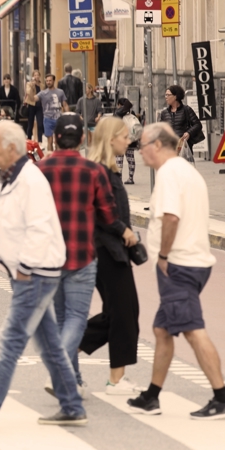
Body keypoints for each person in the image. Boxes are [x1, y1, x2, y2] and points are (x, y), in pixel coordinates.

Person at [0, 120, 84, 428]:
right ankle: (72, 406)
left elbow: (39, 229)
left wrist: (23, 267)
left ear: (12, 148)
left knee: (10, 340)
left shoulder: (30, 181)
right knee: (49, 342)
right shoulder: (14, 178)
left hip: (35, 273)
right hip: (30, 271)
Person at [127, 123, 225, 420]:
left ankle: (222, 398)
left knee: (192, 329)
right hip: (191, 262)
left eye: (142, 145)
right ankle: (152, 396)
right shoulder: (185, 170)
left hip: (180, 265)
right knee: (163, 330)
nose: (140, 150)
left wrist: (163, 255)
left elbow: (171, 217)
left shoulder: (169, 174)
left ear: (157, 145)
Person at [37, 113, 120, 398]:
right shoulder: (93, 170)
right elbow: (109, 214)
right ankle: (63, 371)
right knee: (76, 318)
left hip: (49, 256)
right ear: (83, 138)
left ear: (55, 138)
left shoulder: (39, 169)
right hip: (83, 255)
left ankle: (73, 380)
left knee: (61, 319)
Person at [78, 117, 142, 395]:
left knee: (121, 313)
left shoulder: (103, 170)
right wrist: (124, 230)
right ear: (111, 139)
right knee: (124, 314)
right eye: (125, 136)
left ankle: (65, 354)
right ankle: (113, 380)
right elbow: (102, 212)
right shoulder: (100, 171)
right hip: (106, 250)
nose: (129, 141)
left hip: (109, 250)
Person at [159, 84, 204, 154]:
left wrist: (189, 133)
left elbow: (198, 125)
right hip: (169, 148)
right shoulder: (164, 113)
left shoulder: (187, 110)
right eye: (165, 95)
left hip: (183, 147)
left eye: (168, 95)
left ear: (175, 96)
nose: (166, 97)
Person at [37, 74, 69, 152]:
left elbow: (65, 105)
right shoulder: (42, 93)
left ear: (53, 81)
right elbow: (34, 98)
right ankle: (51, 159)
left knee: (58, 141)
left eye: (50, 80)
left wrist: (68, 116)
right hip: (48, 119)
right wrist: (29, 91)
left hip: (58, 119)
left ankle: (57, 158)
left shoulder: (60, 92)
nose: (48, 82)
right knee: (50, 141)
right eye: (47, 81)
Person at [114, 98, 140, 184]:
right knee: (131, 159)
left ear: (119, 105)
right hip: (130, 140)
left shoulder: (117, 113)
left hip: (120, 140)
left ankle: (119, 179)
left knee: (119, 160)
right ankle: (131, 178)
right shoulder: (132, 114)